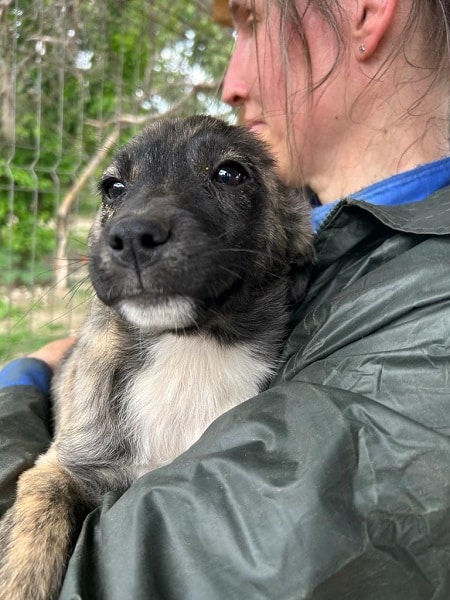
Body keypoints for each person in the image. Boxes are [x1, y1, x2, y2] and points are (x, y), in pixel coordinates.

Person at [1, 0, 450, 597]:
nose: (229, 84)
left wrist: (21, 381)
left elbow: (123, 572)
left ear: (364, 10)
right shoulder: (339, 246)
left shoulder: (422, 310)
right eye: (116, 189)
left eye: (251, 22)